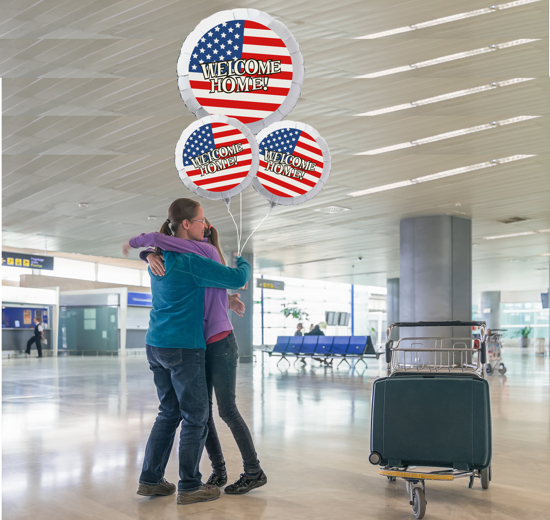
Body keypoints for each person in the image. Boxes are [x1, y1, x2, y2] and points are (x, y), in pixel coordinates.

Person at [125, 217, 267, 496]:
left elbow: (231, 281)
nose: (203, 227)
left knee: (220, 410)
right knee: (201, 413)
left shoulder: (205, 255)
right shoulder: (188, 259)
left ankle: (253, 471)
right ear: (186, 225)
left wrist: (147, 250)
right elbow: (199, 295)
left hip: (219, 342)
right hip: (196, 344)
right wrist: (148, 254)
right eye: (200, 222)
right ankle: (218, 470)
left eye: (205, 225)